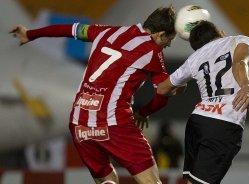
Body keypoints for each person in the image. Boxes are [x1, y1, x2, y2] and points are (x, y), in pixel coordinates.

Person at [10, 6, 180, 184]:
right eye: (169, 39)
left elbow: (69, 29)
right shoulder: (152, 50)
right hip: (115, 124)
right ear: (160, 34)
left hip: (79, 123)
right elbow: (162, 92)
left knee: (107, 180)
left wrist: (31, 34)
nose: (168, 45)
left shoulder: (105, 31)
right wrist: (144, 112)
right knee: (151, 181)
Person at [157, 21, 249, 184]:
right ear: (221, 33)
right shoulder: (240, 41)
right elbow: (239, 62)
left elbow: (162, 89)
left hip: (197, 122)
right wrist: (246, 86)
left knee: (193, 181)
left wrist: (181, 85)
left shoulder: (195, 57)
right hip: (223, 123)